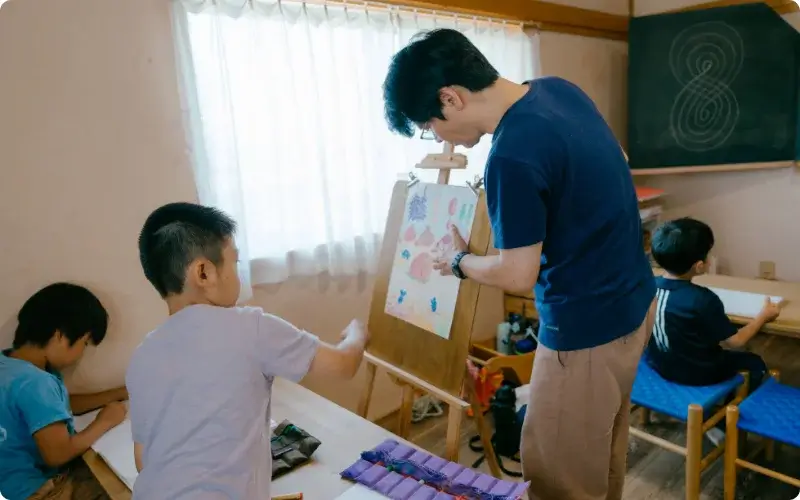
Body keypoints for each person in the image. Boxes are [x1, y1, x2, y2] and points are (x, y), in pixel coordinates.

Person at [382, 28, 655, 500]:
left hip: (585, 331)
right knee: (600, 454)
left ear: (450, 98)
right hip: (633, 303)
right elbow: (617, 158)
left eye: (429, 125)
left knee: (558, 478)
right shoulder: (557, 89)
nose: (438, 139)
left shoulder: (509, 155)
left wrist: (460, 261)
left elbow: (517, 274)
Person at [127, 202, 369, 500]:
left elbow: (143, 461)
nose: (238, 274)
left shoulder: (141, 356)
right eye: (235, 262)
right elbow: (343, 365)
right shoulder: (250, 327)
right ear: (204, 272)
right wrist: (357, 333)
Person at [0, 283, 128, 500]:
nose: (81, 354)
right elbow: (57, 454)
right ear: (60, 336)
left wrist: (117, 393)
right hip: (38, 491)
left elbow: (57, 408)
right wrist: (104, 422)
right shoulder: (36, 383)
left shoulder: (10, 365)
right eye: (84, 344)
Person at [646, 217, 780, 392]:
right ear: (699, 266)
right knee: (755, 362)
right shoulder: (703, 299)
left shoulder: (647, 286)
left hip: (658, 365)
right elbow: (736, 342)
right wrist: (763, 316)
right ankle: (739, 403)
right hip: (699, 374)